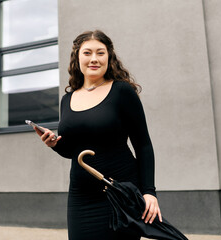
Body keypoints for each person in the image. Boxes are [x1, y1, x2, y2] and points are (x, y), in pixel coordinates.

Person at [34, 30, 162, 240]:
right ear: (77, 57)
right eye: (87, 53)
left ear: (109, 57)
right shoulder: (67, 99)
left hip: (119, 192)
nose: (94, 58)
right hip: (81, 196)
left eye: (100, 53)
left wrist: (149, 191)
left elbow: (143, 145)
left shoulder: (122, 91)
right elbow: (73, 151)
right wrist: (54, 144)